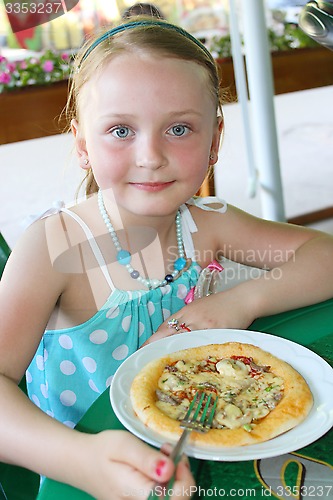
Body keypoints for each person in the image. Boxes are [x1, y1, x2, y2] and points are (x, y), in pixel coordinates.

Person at [1, 16, 333, 500]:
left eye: (179, 128)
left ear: (215, 140)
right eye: (120, 130)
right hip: (92, 471)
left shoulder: (209, 223)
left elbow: (321, 255)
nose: (151, 155)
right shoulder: (54, 248)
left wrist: (239, 302)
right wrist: (79, 460)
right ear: (82, 145)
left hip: (204, 445)